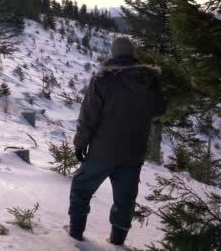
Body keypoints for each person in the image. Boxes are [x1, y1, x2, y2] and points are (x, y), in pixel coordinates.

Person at [68, 36, 166, 245]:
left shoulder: (103, 79)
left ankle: (75, 236)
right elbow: (159, 110)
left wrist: (80, 144)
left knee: (81, 188)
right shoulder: (149, 80)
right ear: (132, 54)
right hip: (134, 152)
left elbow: (88, 117)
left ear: (113, 53)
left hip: (102, 150)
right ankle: (117, 242)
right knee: (125, 199)